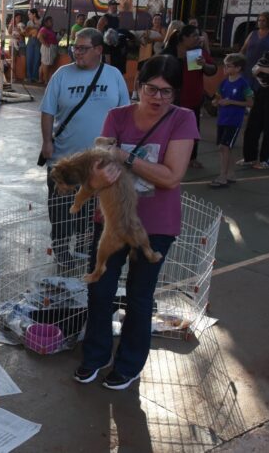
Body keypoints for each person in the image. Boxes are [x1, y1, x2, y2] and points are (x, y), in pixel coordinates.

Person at [75, 54, 199, 390]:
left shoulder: (182, 120)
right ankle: (96, 355)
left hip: (156, 225)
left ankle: (129, 365)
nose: (157, 98)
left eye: (167, 92)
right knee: (100, 288)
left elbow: (171, 176)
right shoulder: (117, 116)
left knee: (139, 296)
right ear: (138, 86)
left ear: (176, 94)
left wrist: (125, 157)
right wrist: (106, 165)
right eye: (151, 89)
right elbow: (99, 168)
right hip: (112, 220)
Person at [40, 28, 130, 267]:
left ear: (98, 50)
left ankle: (84, 246)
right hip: (65, 159)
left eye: (82, 48)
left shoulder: (114, 76)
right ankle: (61, 249)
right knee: (61, 209)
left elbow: (124, 113)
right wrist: (47, 141)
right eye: (74, 48)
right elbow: (47, 111)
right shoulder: (61, 75)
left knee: (92, 209)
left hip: (100, 161)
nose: (76, 53)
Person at [162, 24, 216, 169]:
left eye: (198, 35)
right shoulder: (170, 52)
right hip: (171, 100)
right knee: (168, 129)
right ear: (184, 38)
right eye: (194, 36)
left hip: (192, 99)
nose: (198, 38)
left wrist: (204, 65)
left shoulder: (197, 53)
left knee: (192, 130)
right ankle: (166, 157)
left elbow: (212, 70)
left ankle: (192, 158)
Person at [210, 53, 253, 187]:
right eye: (225, 66)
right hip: (222, 119)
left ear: (238, 68)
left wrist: (231, 102)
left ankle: (223, 176)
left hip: (234, 121)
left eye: (229, 66)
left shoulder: (243, 84)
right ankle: (231, 174)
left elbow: (250, 103)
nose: (225, 68)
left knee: (225, 146)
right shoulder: (224, 82)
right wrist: (215, 102)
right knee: (225, 147)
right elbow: (217, 97)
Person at [237, 13, 269, 169]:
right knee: (253, 123)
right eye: (260, 20)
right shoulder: (253, 34)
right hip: (252, 79)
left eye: (264, 20)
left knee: (266, 122)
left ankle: (264, 159)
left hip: (265, 86)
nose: (261, 22)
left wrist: (262, 69)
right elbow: (243, 51)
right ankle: (249, 157)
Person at [38, 15, 59, 83]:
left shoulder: (49, 29)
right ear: (46, 22)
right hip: (48, 48)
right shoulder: (44, 29)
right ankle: (46, 80)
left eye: (52, 21)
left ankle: (41, 79)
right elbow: (39, 36)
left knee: (43, 64)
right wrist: (46, 44)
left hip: (49, 47)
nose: (52, 23)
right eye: (50, 21)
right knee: (46, 64)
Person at [25, 8, 41, 83]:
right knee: (29, 58)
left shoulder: (41, 20)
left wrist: (33, 30)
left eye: (29, 14)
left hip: (38, 41)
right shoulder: (29, 22)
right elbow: (27, 33)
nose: (28, 16)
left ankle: (35, 77)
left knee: (37, 59)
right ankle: (29, 76)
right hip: (30, 40)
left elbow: (39, 31)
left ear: (34, 14)